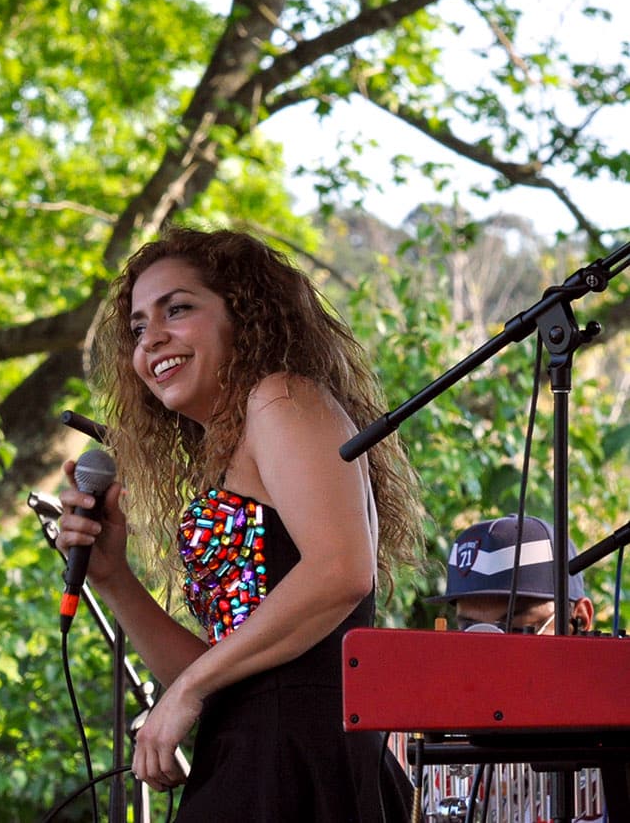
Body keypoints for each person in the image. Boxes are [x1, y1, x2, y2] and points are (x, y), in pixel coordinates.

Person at [56, 227, 425, 821]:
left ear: (245, 315)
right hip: (248, 758)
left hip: (302, 761)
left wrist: (188, 691)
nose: (153, 338)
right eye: (137, 328)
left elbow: (341, 570)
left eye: (177, 309)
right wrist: (114, 578)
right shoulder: (226, 454)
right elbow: (228, 677)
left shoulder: (280, 398)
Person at [405, 513, 604, 822]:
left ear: (580, 619)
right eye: (472, 630)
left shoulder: (609, 769)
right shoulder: (434, 759)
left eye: (513, 628)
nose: (490, 651)